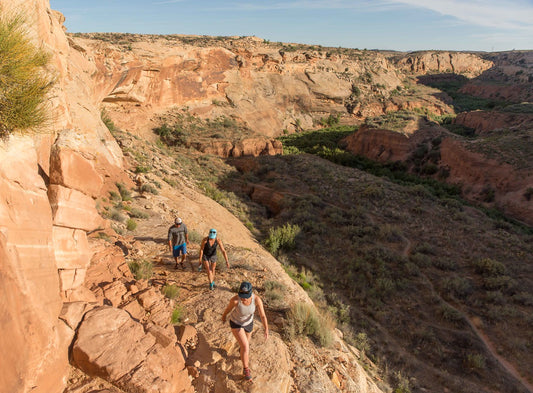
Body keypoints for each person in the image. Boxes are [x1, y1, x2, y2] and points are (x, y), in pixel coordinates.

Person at [221, 281, 269, 381]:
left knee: (245, 345)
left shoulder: (256, 300)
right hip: (236, 323)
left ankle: (241, 352)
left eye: (246, 296)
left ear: (251, 293)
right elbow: (228, 309)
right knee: (245, 346)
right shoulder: (235, 300)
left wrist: (266, 329)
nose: (243, 298)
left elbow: (263, 315)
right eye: (242, 295)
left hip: (249, 324)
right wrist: (224, 316)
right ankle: (246, 369)